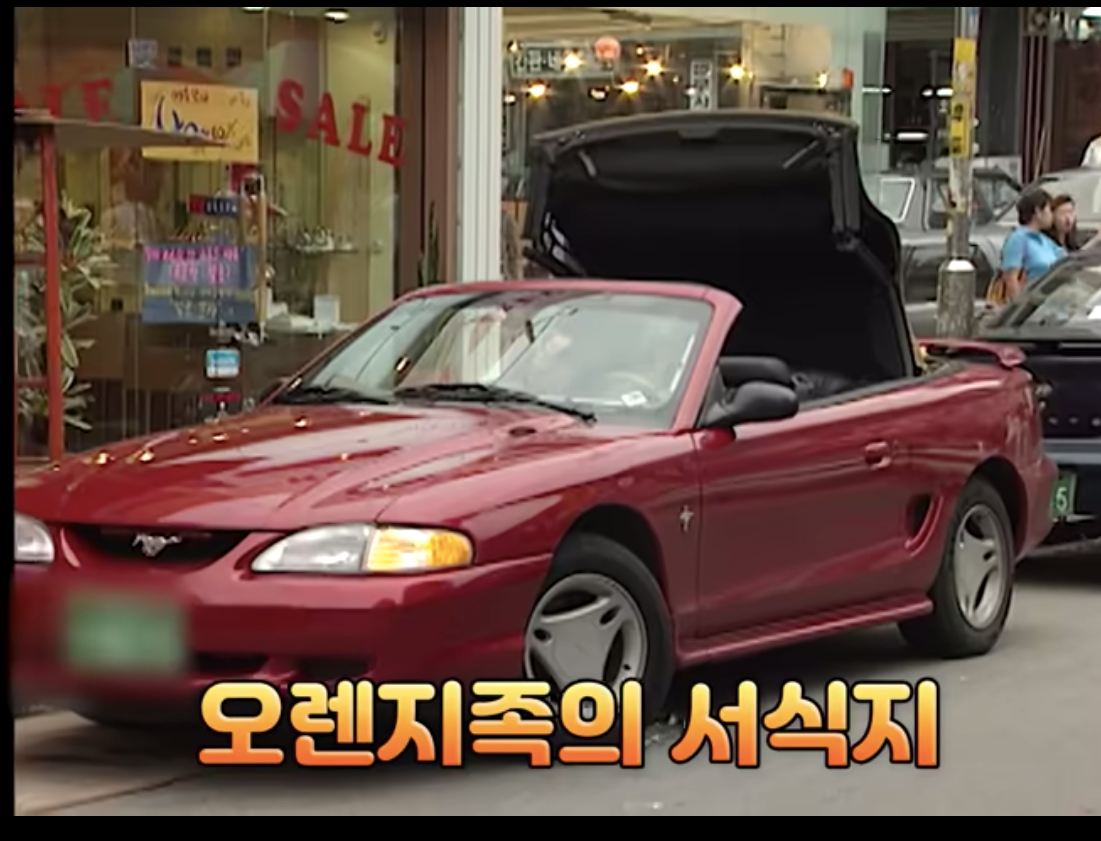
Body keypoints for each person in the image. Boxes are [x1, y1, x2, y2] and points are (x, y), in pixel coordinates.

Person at [999, 189, 1064, 298]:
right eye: (1049, 210)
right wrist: (1019, 304)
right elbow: (1011, 278)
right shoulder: (1018, 239)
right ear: (1038, 212)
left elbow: (1067, 260)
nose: (1051, 215)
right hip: (1030, 300)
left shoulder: (1046, 241)